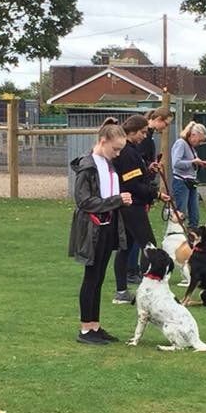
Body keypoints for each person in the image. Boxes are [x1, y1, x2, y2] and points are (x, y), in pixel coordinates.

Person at [68, 121, 132, 346]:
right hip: (91, 229)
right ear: (103, 141)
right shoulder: (87, 167)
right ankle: (86, 329)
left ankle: (95, 325)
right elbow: (84, 201)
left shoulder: (107, 164)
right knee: (91, 277)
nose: (117, 154)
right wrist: (117, 200)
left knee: (99, 278)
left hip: (107, 227)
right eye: (115, 149)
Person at [110, 115, 171, 304]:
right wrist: (157, 194)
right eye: (142, 132)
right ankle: (149, 292)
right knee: (149, 247)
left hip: (128, 206)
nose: (145, 136)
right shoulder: (128, 153)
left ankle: (121, 293)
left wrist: (149, 170)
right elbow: (133, 185)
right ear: (132, 131)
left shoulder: (131, 151)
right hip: (132, 206)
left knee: (125, 248)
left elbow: (136, 177)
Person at [171, 121, 206, 228]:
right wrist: (193, 162)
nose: (200, 143)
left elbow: (191, 163)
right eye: (200, 140)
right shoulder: (181, 143)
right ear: (193, 135)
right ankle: (177, 238)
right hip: (181, 182)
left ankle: (193, 238)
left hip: (191, 182)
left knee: (195, 215)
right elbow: (176, 163)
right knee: (181, 214)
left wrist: (201, 164)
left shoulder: (191, 147)